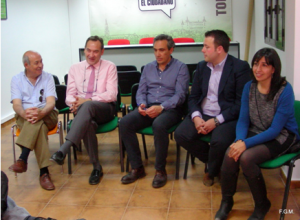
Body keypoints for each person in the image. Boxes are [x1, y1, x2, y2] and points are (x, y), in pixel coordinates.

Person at [214, 48, 300, 220]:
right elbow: (244, 120)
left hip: (282, 135)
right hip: (258, 129)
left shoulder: (285, 90)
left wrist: (245, 144)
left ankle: (262, 204)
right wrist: (239, 140)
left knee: (247, 158)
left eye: (264, 65)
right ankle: (226, 201)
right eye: (255, 64)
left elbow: (275, 130)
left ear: (274, 69)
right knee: (231, 154)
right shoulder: (249, 86)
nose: (258, 69)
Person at [174, 30, 251, 186]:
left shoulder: (239, 67)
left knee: (219, 141)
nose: (202, 50)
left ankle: (211, 171)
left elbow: (240, 104)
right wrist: (196, 117)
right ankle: (215, 162)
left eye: (206, 47)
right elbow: (194, 97)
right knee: (181, 134)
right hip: (203, 113)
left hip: (226, 116)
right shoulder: (202, 67)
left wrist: (216, 121)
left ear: (219, 49)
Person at [120, 34, 189, 188]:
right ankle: (137, 168)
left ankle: (160, 171)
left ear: (171, 50)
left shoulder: (181, 67)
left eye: (162, 50)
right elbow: (141, 90)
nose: (158, 54)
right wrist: (142, 104)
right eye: (155, 50)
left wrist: (162, 107)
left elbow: (181, 95)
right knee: (124, 122)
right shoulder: (148, 67)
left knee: (159, 125)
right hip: (149, 107)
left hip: (170, 109)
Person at [50, 36, 118, 185]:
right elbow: (69, 94)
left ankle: (64, 149)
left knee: (87, 106)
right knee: (88, 123)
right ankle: (96, 167)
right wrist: (74, 103)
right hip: (82, 110)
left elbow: (111, 94)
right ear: (84, 49)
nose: (91, 55)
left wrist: (86, 101)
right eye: (88, 50)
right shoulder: (75, 68)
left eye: (95, 51)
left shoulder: (110, 67)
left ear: (102, 52)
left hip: (105, 108)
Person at [9, 51, 58, 191]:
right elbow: (16, 104)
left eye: (41, 61)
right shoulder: (16, 79)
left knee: (37, 120)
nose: (41, 65)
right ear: (26, 65)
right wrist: (25, 114)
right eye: (36, 63)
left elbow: (50, 103)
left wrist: (40, 113)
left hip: (47, 114)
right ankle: (44, 173)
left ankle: (22, 158)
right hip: (26, 116)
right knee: (38, 126)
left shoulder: (48, 78)